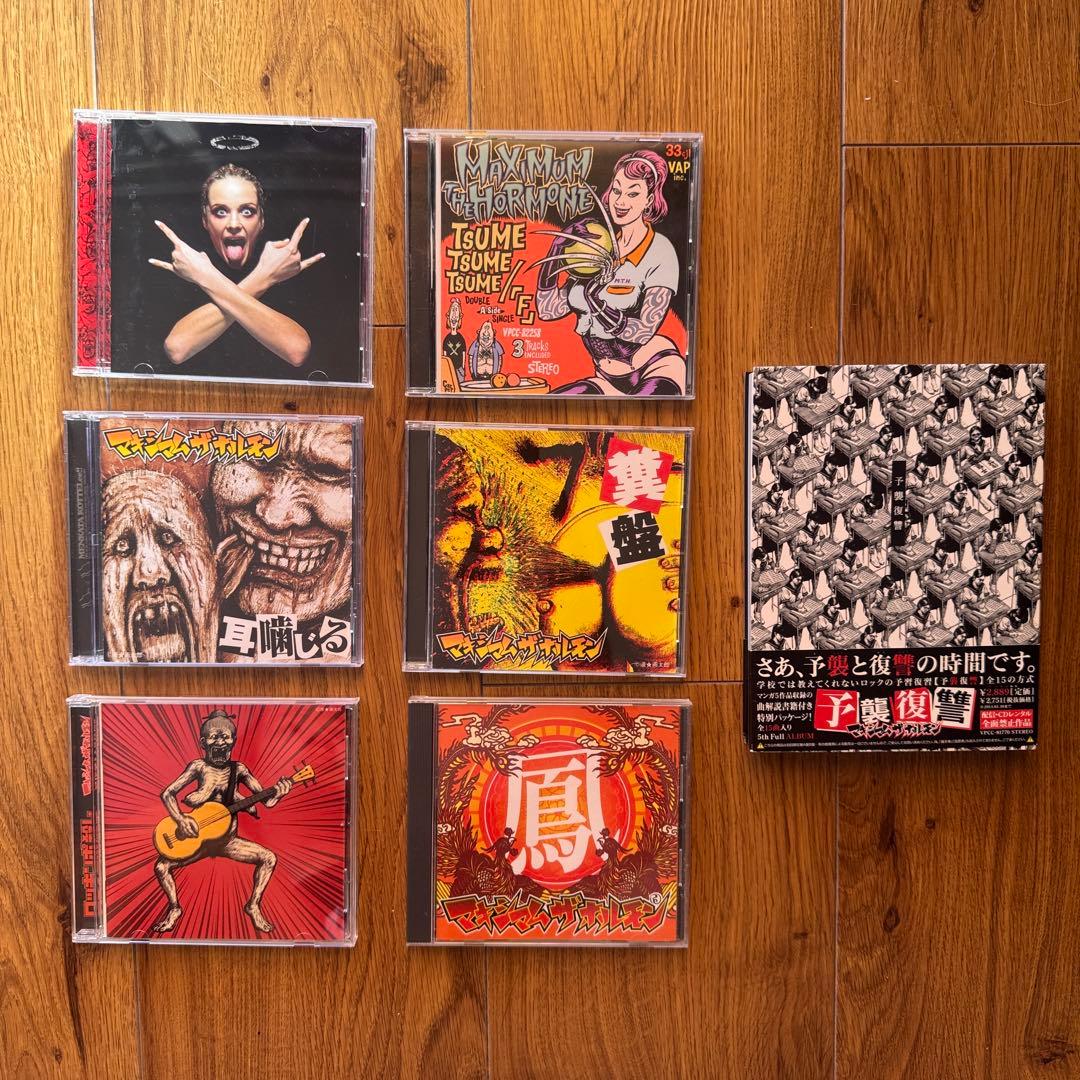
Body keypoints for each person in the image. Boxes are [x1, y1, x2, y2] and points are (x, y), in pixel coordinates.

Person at [537, 150, 685, 396]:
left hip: (655, 367)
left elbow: (644, 330)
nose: (621, 201)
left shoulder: (660, 250)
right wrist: (556, 251)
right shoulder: (598, 247)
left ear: (649, 199)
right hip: (606, 378)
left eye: (633, 193)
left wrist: (597, 304)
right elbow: (548, 310)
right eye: (617, 190)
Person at [149, 163, 324, 369]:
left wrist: (205, 276)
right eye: (220, 211)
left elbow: (297, 350)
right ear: (205, 220)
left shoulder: (289, 265)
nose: (233, 224)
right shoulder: (181, 267)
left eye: (247, 211)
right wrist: (265, 277)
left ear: (261, 220)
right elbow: (177, 348)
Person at [152, 710, 291, 933]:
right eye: (214, 737)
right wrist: (180, 818)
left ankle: (253, 905)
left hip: (228, 842)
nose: (220, 742)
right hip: (197, 842)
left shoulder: (239, 770)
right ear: (203, 743)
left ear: (233, 741)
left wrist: (279, 793)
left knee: (269, 858)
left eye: (225, 737)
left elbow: (267, 800)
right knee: (161, 867)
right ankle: (174, 908)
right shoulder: (198, 767)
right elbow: (168, 793)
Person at [442, 298, 467, 381]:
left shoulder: (461, 338)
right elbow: (445, 356)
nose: (454, 315)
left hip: (459, 369)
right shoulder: (446, 339)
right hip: (449, 369)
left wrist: (462, 368)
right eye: (453, 310)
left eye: (456, 310)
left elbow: (463, 354)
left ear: (460, 317)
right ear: (448, 316)